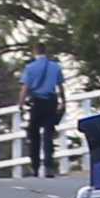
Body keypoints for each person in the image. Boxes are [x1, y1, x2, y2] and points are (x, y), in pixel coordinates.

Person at [20, 44, 64, 178]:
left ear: (35, 52)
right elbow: (60, 86)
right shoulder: (55, 67)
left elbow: (25, 87)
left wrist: (21, 103)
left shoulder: (30, 68)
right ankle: (49, 167)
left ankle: (35, 167)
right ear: (46, 51)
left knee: (34, 135)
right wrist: (63, 101)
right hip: (51, 102)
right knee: (48, 135)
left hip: (37, 103)